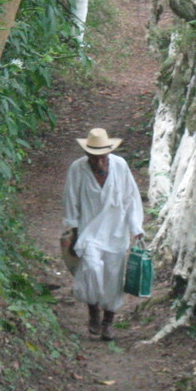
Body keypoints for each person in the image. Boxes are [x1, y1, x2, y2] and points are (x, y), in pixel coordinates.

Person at [63, 127, 144, 341]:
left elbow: (130, 198)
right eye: (94, 156)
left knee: (113, 277)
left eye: (102, 156)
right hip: (89, 231)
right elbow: (71, 200)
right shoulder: (77, 169)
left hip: (115, 231)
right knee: (91, 270)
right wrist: (73, 231)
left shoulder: (120, 166)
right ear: (87, 153)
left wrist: (135, 228)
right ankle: (93, 313)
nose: (99, 161)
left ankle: (108, 321)